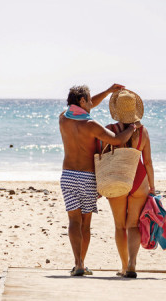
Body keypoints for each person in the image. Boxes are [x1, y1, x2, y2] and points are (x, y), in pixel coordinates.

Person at [59, 83, 142, 277]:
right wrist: (132, 128)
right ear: (82, 101)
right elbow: (118, 140)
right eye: (88, 99)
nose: (91, 102)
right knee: (85, 224)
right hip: (87, 177)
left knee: (73, 221)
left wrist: (106, 92)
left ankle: (78, 264)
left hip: (68, 176)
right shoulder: (91, 125)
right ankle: (82, 263)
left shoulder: (63, 119)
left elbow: (86, 106)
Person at [103, 89, 154, 279]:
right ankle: (132, 263)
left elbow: (102, 156)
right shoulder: (143, 131)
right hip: (139, 179)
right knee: (133, 225)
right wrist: (153, 186)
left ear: (117, 110)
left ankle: (124, 267)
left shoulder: (111, 129)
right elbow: (148, 162)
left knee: (119, 226)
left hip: (118, 178)